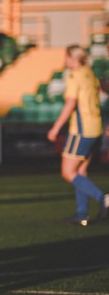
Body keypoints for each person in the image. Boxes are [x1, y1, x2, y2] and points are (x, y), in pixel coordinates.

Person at [46, 45, 109, 226]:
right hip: (95, 127)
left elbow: (70, 104)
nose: (65, 62)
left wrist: (55, 128)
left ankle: (103, 198)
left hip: (81, 130)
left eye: (66, 58)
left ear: (73, 59)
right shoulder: (90, 74)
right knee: (80, 171)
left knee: (67, 172)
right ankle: (82, 214)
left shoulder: (74, 75)